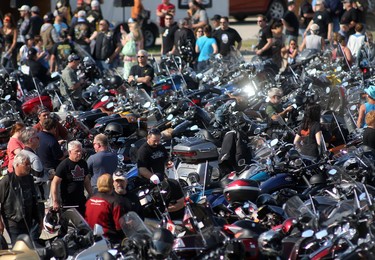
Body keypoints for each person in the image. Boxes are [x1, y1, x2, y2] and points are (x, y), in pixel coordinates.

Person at [0, 152, 42, 245]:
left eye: (29, 164)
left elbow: (34, 200)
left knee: (28, 247)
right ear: (17, 165)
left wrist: (39, 219)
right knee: (18, 247)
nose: (29, 167)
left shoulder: (30, 179)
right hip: (13, 221)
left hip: (28, 220)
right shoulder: (6, 181)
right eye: (26, 164)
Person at [51, 140, 92, 215]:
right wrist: (55, 201)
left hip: (81, 200)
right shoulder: (64, 165)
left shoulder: (83, 163)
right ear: (70, 152)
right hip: (68, 202)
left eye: (80, 151)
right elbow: (55, 182)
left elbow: (86, 181)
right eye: (76, 151)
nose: (79, 153)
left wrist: (91, 194)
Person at [85, 174, 123, 243]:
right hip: (109, 240)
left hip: (90, 238)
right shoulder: (114, 202)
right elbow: (119, 226)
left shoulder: (90, 200)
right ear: (111, 185)